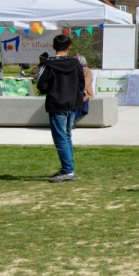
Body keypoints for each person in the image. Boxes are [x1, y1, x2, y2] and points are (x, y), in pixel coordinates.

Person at [36, 34, 85, 183]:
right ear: (69, 47)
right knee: (67, 136)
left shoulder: (47, 64)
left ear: (53, 46)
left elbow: (41, 85)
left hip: (57, 104)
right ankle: (68, 168)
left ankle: (68, 170)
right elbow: (81, 84)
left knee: (61, 138)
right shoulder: (76, 63)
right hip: (72, 103)